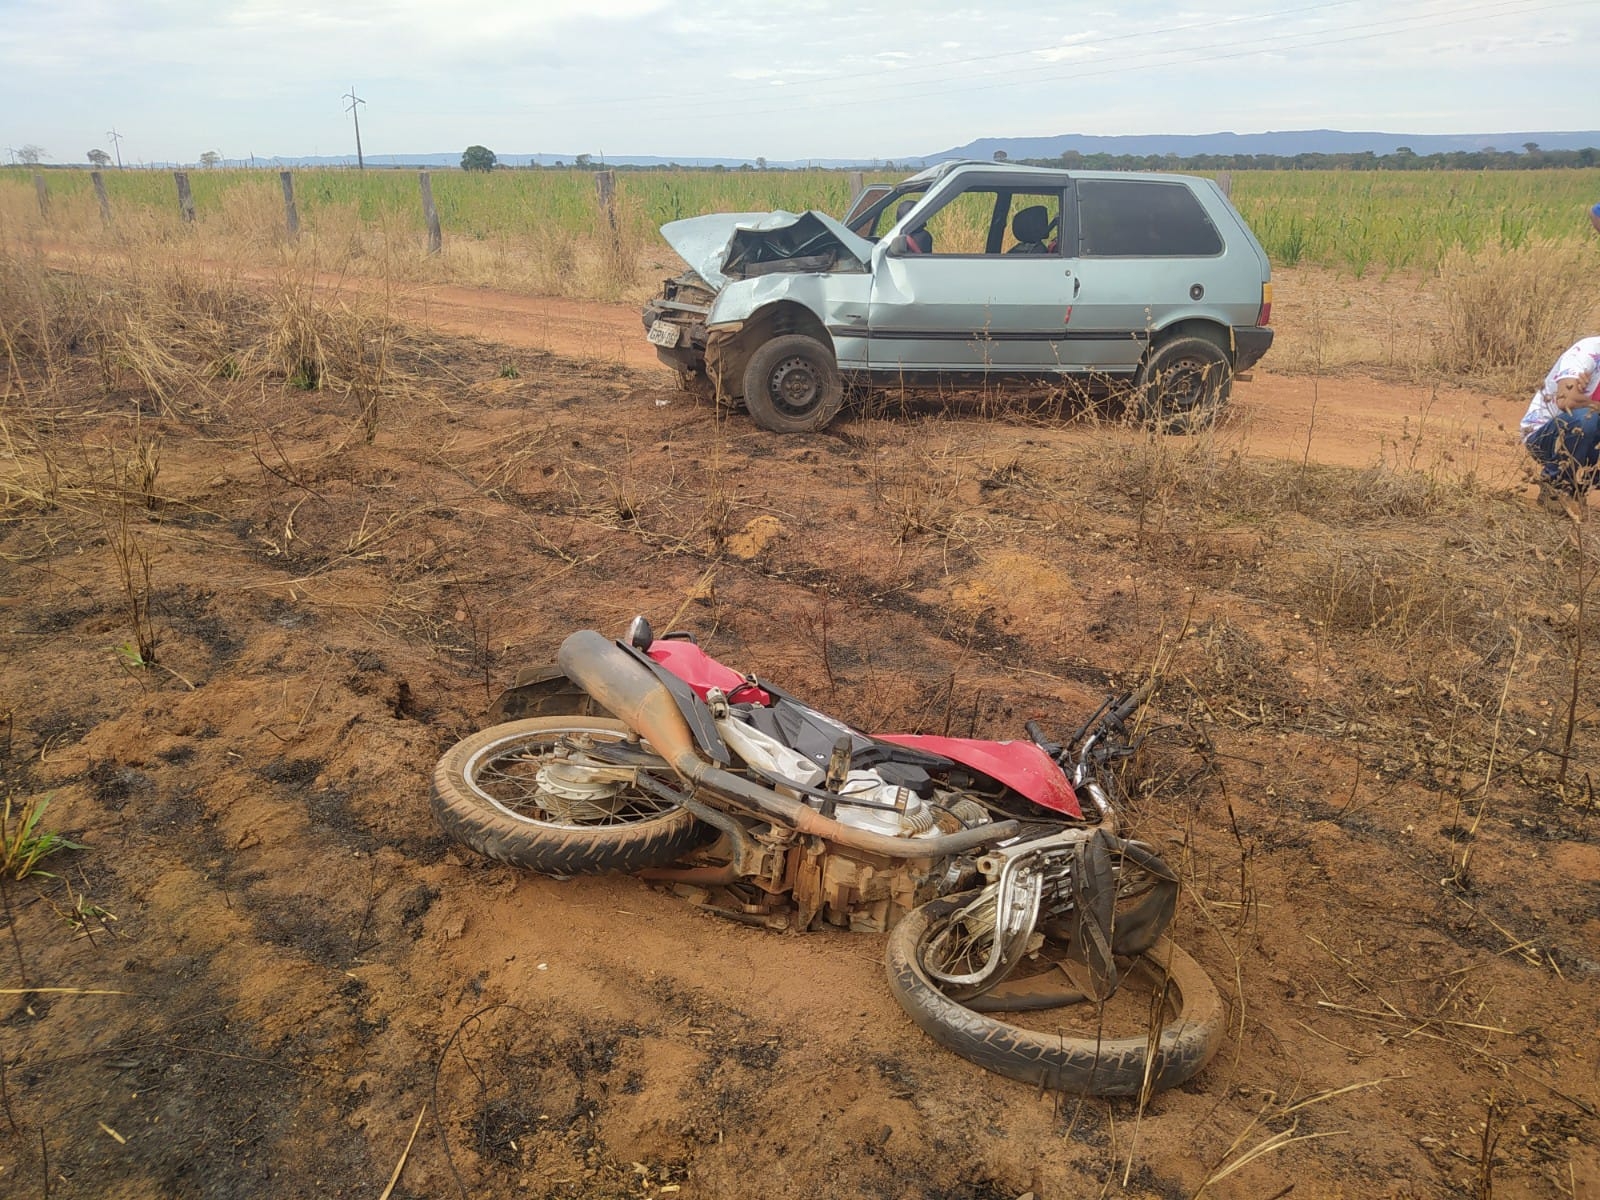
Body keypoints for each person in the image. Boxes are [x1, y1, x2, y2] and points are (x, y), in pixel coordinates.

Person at [1521, 336, 1600, 506]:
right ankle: (1557, 487)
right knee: (1585, 417)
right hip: (1547, 435)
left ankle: (1580, 484)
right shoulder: (1588, 352)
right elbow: (1566, 401)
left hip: (1590, 441)